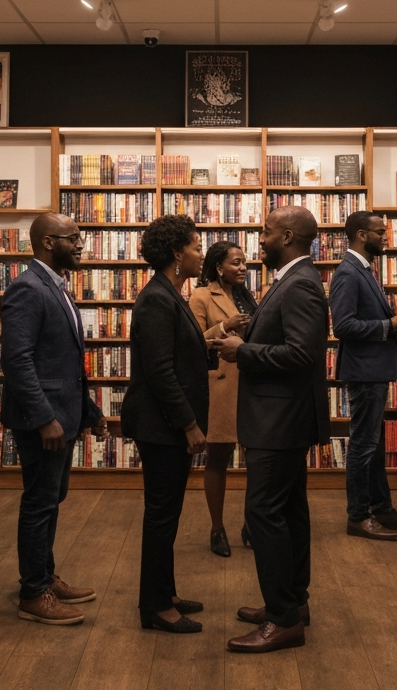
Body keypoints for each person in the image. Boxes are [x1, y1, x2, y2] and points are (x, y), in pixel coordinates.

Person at [213, 206, 330, 654]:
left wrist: (244, 351)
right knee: (289, 512)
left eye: (265, 231)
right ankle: (291, 603)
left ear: (286, 236)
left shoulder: (299, 284)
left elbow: (301, 354)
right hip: (281, 417)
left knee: (264, 514)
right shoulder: (291, 279)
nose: (259, 239)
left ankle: (282, 619)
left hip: (280, 420)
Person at [1, 212, 107, 626]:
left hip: (64, 416)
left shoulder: (56, 286)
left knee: (51, 500)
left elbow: (66, 364)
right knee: (39, 503)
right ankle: (33, 593)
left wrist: (90, 412)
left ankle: (43, 576)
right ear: (48, 242)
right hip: (43, 421)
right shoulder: (27, 288)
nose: (80, 245)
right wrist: (45, 418)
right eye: (73, 238)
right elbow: (18, 361)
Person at [121, 214, 211, 634]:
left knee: (168, 512)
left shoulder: (170, 293)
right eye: (195, 247)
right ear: (177, 254)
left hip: (166, 425)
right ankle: (154, 606)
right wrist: (190, 424)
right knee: (161, 514)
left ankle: (166, 590)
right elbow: (160, 371)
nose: (200, 253)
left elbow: (179, 355)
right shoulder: (158, 298)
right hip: (162, 427)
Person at [330, 211, 397, 541]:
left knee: (374, 446)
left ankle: (382, 508)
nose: (386, 237)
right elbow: (343, 327)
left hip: (373, 370)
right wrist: (389, 326)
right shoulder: (348, 272)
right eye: (379, 231)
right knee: (363, 446)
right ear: (360, 235)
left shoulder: (364, 270)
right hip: (365, 371)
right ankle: (357, 517)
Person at [188, 241, 256, 557]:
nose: (243, 268)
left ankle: (252, 524)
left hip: (252, 384)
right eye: (236, 263)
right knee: (218, 459)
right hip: (221, 387)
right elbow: (191, 344)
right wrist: (223, 326)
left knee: (257, 459)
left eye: (244, 263)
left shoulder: (246, 297)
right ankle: (217, 529)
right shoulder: (201, 296)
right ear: (218, 267)